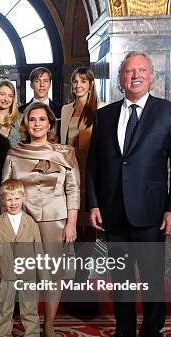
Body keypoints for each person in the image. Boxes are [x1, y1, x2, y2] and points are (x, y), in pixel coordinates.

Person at [86, 51, 171, 337]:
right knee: (119, 278)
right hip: (113, 211)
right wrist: (92, 203)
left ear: (151, 75)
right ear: (120, 78)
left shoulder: (170, 113)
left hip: (151, 213)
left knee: (152, 280)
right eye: (129, 71)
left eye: (141, 70)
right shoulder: (104, 116)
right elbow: (93, 166)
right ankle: (124, 331)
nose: (135, 75)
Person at [2, 102, 80, 337]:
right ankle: (30, 326)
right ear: (26, 124)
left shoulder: (65, 152)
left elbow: (73, 189)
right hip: (22, 219)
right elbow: (4, 191)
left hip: (54, 220)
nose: (37, 124)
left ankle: (49, 325)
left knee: (52, 275)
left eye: (42, 119)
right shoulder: (15, 153)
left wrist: (72, 223)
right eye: (32, 119)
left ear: (50, 124)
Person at [0, 179, 44, 337]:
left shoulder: (31, 223)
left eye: (17, 198)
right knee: (5, 310)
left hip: (28, 274)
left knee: (30, 309)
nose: (13, 203)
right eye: (9, 199)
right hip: (6, 275)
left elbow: (39, 250)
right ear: (3, 200)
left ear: (23, 198)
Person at [60, 67, 105, 241]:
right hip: (71, 168)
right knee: (73, 217)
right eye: (75, 81)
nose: (78, 85)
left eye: (83, 81)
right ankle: (77, 262)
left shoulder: (102, 108)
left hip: (92, 170)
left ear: (91, 84)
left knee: (90, 218)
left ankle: (85, 262)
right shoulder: (65, 110)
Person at [0, 80, 22, 166]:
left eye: (10, 96)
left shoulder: (21, 120)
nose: (6, 99)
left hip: (17, 173)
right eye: (2, 94)